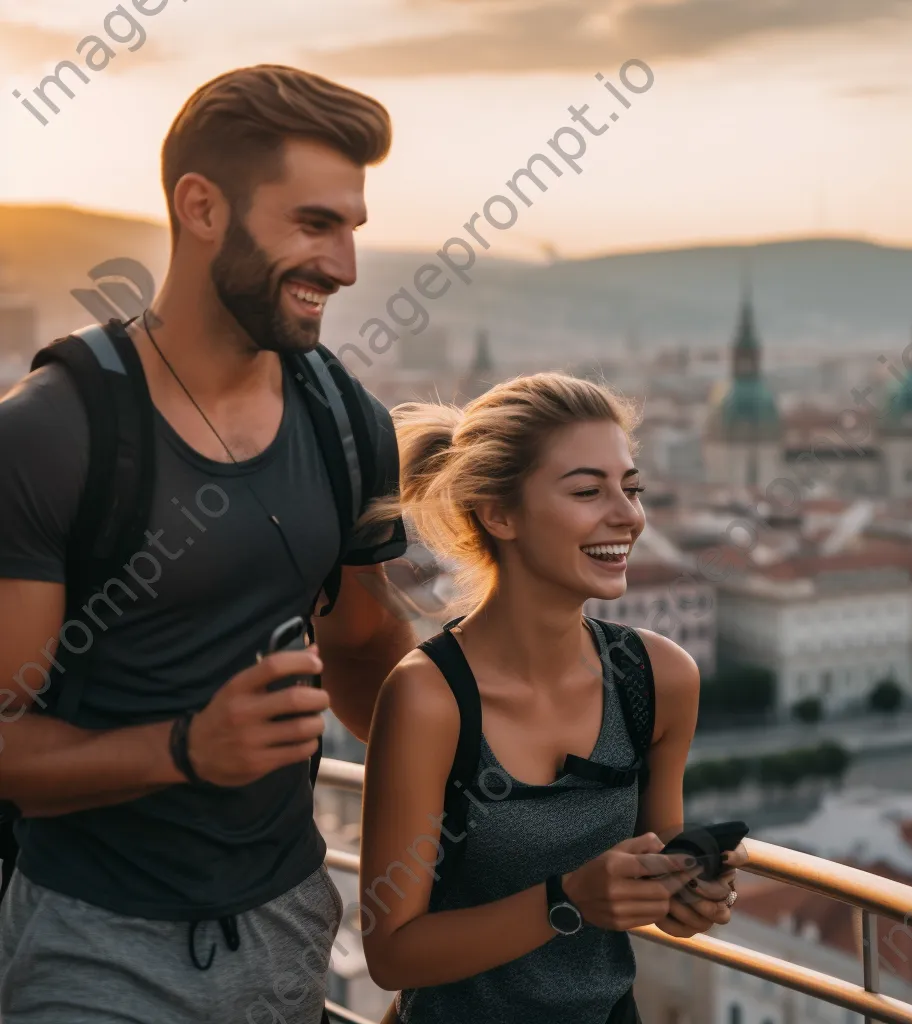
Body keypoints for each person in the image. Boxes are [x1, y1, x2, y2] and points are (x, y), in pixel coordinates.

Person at [0, 65, 417, 1023]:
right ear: (201, 207)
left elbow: (363, 643)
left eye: (353, 226)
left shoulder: (346, 421)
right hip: (94, 944)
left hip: (291, 926)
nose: (346, 265)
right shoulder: (51, 435)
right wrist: (186, 748)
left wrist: (478, 779)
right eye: (315, 224)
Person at [356, 374, 749, 1024]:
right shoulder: (429, 699)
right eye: (589, 491)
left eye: (632, 487)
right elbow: (391, 953)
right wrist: (567, 900)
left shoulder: (659, 679)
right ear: (498, 513)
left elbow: (653, 865)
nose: (628, 515)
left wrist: (692, 895)